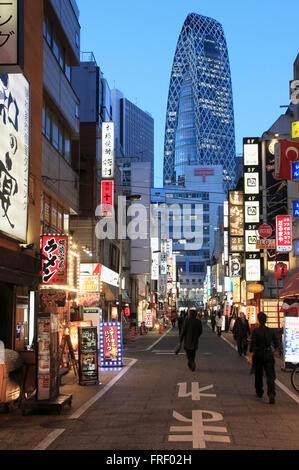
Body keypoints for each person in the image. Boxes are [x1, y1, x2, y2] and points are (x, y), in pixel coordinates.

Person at [248, 312, 279, 404]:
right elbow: (277, 344)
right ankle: (271, 393)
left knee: (258, 374)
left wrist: (250, 356)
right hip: (268, 354)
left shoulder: (256, 331)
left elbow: (252, 345)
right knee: (270, 375)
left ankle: (259, 391)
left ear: (258, 320)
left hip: (258, 354)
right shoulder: (271, 331)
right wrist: (273, 351)